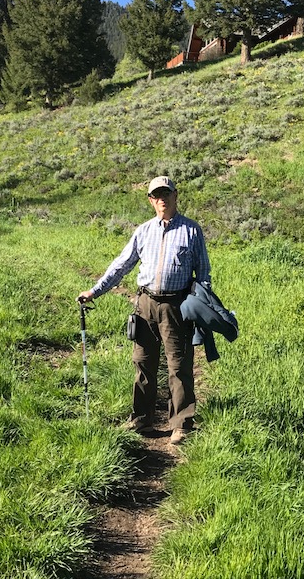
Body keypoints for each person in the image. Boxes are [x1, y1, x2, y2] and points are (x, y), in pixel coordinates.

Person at [77, 176, 211, 445]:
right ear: (151, 200)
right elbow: (121, 265)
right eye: (156, 195)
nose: (162, 199)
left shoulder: (191, 230)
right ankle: (141, 419)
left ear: (175, 196)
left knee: (179, 365)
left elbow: (204, 272)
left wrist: (201, 304)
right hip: (145, 304)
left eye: (166, 194)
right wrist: (94, 291)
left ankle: (181, 424)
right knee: (143, 362)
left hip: (177, 305)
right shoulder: (143, 231)